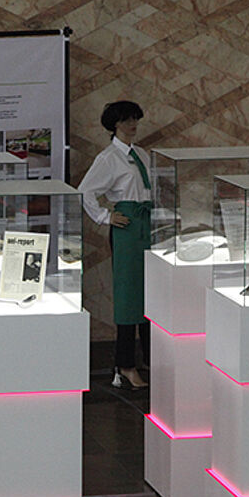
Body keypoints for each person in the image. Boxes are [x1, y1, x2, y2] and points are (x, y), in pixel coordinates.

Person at [78, 100, 152, 389]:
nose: (133, 125)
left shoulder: (141, 154)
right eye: (126, 120)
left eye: (135, 119)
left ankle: (150, 358)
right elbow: (85, 191)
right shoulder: (109, 158)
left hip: (147, 224)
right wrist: (105, 216)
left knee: (150, 292)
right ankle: (125, 364)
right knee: (128, 294)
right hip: (128, 228)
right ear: (114, 125)